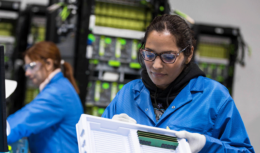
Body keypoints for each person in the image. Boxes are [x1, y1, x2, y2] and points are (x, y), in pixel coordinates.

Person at [102, 15, 254, 153]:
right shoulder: (127, 93)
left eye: (168, 57)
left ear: (188, 54)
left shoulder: (215, 97)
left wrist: (206, 146)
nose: (156, 65)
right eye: (149, 54)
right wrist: (106, 135)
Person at [7, 41, 83, 153]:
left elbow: (24, 120)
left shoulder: (57, 93)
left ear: (48, 64)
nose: (27, 73)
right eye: (26, 67)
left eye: (31, 66)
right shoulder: (60, 87)